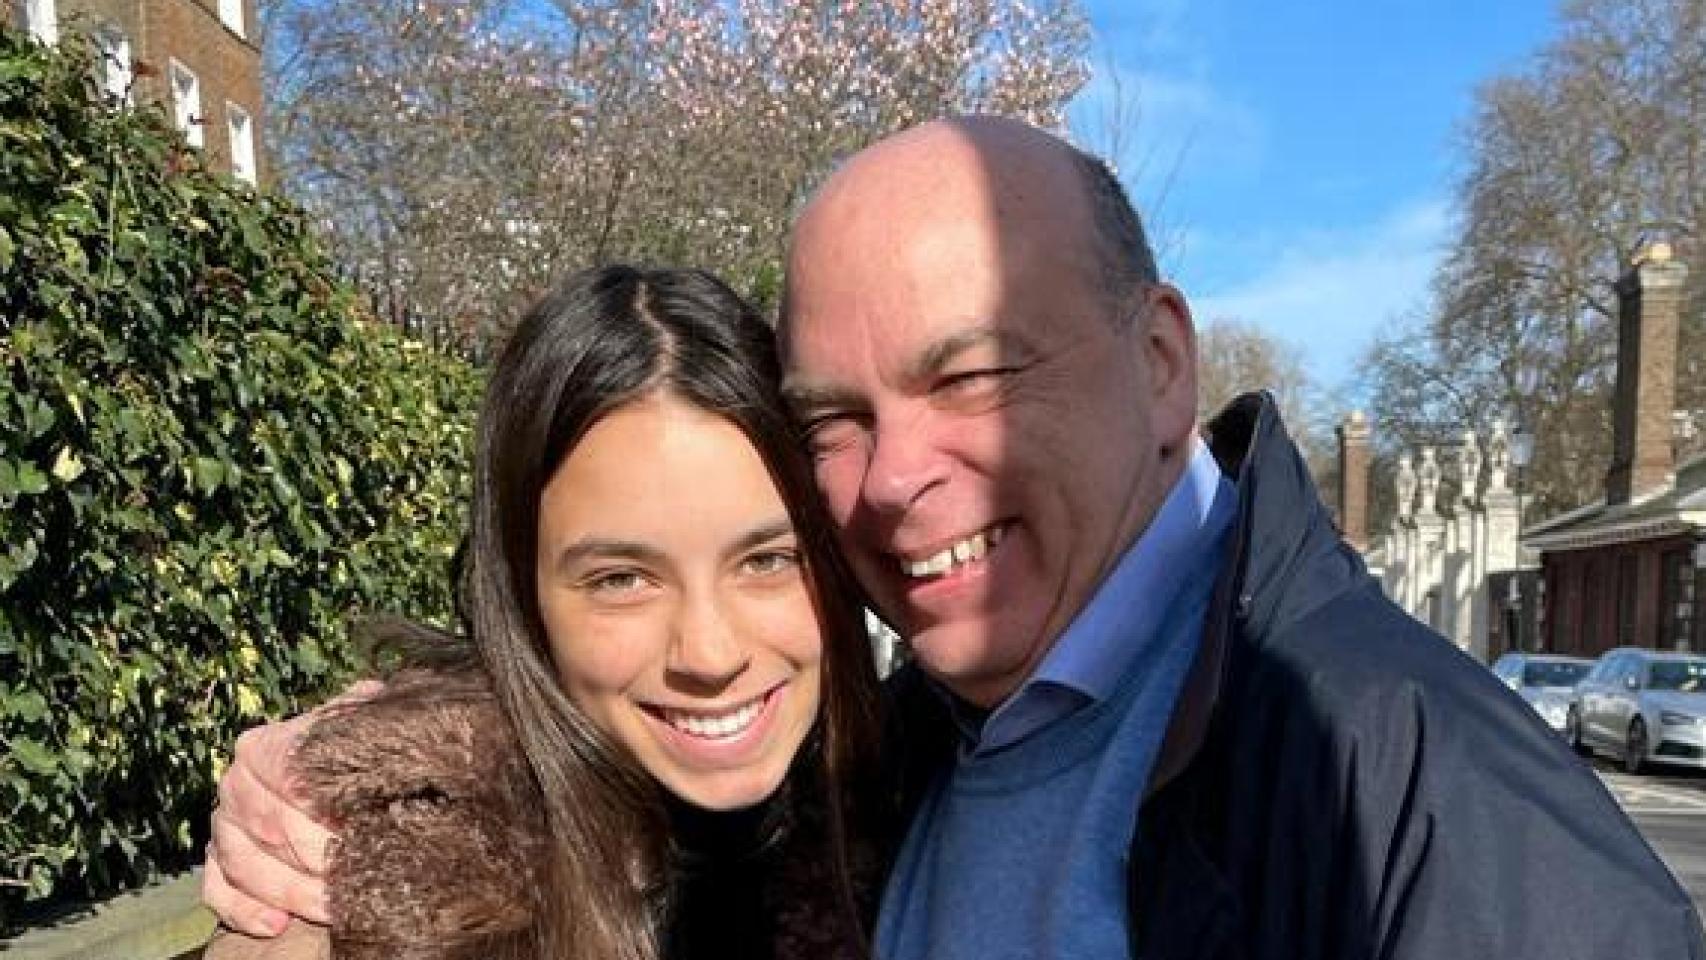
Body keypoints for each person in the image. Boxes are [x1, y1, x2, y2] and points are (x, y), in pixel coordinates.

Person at [211, 118, 1705, 958]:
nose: (896, 478)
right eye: (837, 417)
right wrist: (370, 791)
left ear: (1163, 362)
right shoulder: (903, 755)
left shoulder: (1392, 783)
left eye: (972, 375)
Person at [204, 265, 886, 960]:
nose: (710, 655)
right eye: (622, 579)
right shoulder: (390, 881)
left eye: (767, 560)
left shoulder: (914, 783)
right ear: (524, 593)